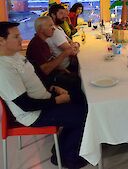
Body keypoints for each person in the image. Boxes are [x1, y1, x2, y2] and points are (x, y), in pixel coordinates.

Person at [0, 21, 88, 169]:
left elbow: (35, 78)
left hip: (44, 100)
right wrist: (57, 100)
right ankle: (69, 159)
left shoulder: (15, 56)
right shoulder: (4, 69)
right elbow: (26, 105)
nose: (21, 39)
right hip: (34, 114)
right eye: (16, 36)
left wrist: (53, 88)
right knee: (84, 114)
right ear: (1, 41)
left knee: (81, 99)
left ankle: (60, 150)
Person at [26, 17, 85, 106]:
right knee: (80, 85)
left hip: (53, 76)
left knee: (79, 78)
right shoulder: (37, 45)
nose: (53, 28)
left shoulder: (42, 42)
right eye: (50, 26)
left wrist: (60, 69)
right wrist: (65, 53)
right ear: (40, 29)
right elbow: (45, 70)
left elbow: (50, 62)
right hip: (47, 84)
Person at [47, 4, 80, 73]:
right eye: (61, 13)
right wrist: (76, 45)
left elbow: (70, 41)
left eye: (64, 13)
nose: (65, 16)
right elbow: (72, 52)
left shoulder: (58, 27)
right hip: (66, 67)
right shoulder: (54, 31)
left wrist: (74, 44)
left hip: (69, 62)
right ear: (53, 15)